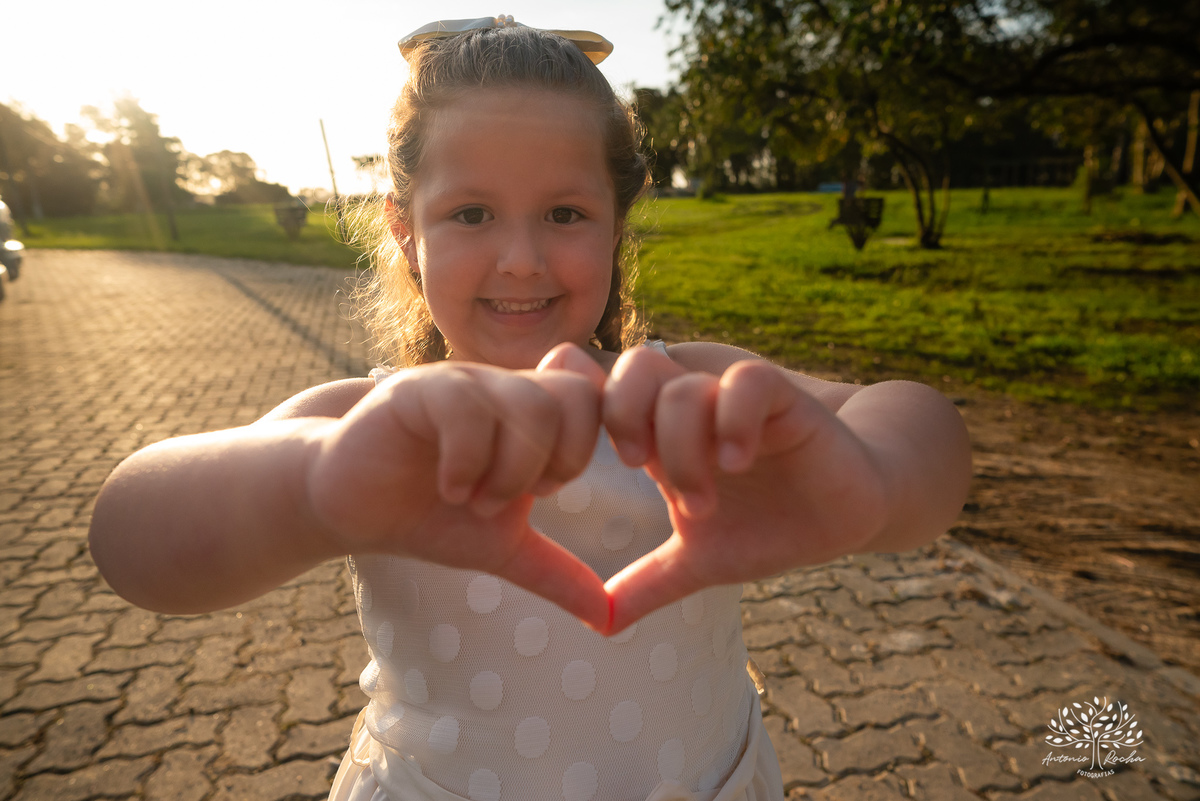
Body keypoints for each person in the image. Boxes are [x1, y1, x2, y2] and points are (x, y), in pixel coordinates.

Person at [87, 16, 972, 801]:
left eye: (563, 212)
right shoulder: (369, 428)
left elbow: (920, 425)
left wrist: (880, 483)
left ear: (617, 221)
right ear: (405, 228)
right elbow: (132, 536)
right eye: (471, 213)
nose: (519, 258)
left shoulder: (688, 394)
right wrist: (311, 488)